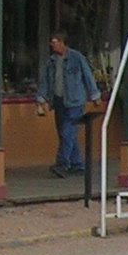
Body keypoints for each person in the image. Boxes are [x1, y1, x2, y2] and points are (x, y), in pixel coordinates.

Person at [37, 31, 99, 175]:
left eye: (54, 42)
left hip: (75, 101)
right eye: (51, 43)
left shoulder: (76, 58)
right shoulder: (51, 61)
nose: (52, 45)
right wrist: (40, 98)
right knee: (66, 134)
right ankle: (78, 164)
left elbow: (87, 76)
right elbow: (46, 81)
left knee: (67, 132)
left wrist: (94, 95)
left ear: (62, 42)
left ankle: (62, 163)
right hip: (59, 101)